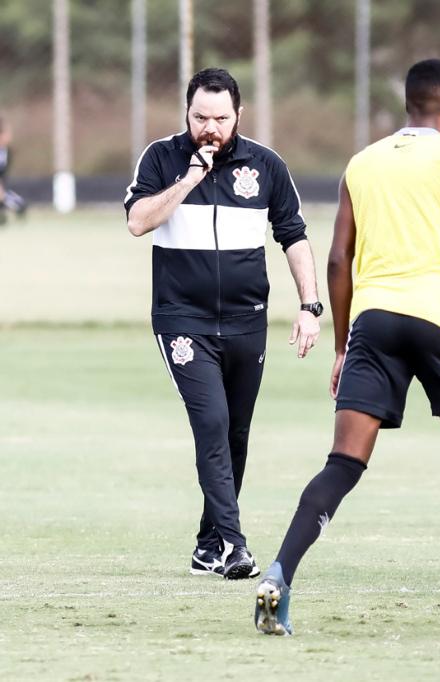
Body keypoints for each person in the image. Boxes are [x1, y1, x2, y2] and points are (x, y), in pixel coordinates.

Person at [253, 59, 440, 636]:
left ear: (407, 104)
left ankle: (280, 570)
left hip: (375, 323)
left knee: (343, 464)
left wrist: (344, 345)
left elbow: (338, 260)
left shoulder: (362, 164)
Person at [125, 68, 321, 580]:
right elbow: (138, 221)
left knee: (234, 434)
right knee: (210, 423)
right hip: (181, 320)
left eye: (221, 118)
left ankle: (207, 546)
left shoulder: (266, 164)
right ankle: (235, 547)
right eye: (199, 118)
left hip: (245, 322)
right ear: (186, 113)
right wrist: (189, 178)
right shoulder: (162, 158)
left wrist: (309, 305)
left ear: (239, 115)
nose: (210, 128)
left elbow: (293, 235)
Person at [0, 117, 28, 224]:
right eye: (7, 134)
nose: (10, 137)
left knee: (21, 206)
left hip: (3, 185)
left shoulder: (7, 152)